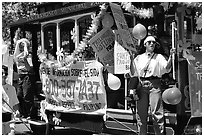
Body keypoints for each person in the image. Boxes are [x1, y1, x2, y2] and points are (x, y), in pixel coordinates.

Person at [129, 35, 175, 135]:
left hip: (154, 84)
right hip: (142, 85)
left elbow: (167, 68)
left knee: (157, 113)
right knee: (141, 114)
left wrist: (171, 56)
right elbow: (133, 73)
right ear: (145, 44)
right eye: (149, 42)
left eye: (153, 42)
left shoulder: (159, 57)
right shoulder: (139, 58)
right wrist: (130, 59)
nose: (151, 44)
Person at [13, 38, 35, 119]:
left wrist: (25, 59)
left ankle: (30, 114)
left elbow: (29, 68)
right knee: (19, 95)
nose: (21, 47)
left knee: (27, 95)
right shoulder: (18, 55)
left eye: (23, 46)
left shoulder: (28, 55)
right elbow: (15, 60)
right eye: (20, 46)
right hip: (20, 76)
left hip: (27, 75)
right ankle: (23, 113)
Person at [2, 65, 20, 135]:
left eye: (6, 73)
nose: (4, 75)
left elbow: (15, 103)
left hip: (9, 119)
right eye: (2, 73)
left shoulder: (12, 88)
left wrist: (17, 111)